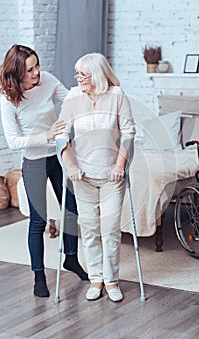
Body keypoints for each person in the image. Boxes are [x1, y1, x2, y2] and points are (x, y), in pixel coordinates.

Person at [0, 44, 88, 298]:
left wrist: (89, 85)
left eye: (37, 65)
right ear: (17, 74)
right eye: (30, 69)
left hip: (58, 155)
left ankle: (71, 259)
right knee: (38, 220)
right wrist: (45, 135)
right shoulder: (8, 98)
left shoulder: (47, 80)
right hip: (35, 161)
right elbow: (13, 141)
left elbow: (69, 97)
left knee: (71, 208)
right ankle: (38, 275)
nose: (37, 72)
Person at [56, 52, 135, 302]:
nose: (78, 78)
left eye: (83, 74)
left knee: (110, 230)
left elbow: (129, 132)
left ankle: (111, 281)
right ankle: (96, 279)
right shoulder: (72, 97)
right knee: (89, 229)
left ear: (98, 75)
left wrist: (120, 164)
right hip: (83, 177)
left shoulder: (117, 96)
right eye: (76, 73)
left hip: (112, 176)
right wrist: (70, 166)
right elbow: (61, 135)